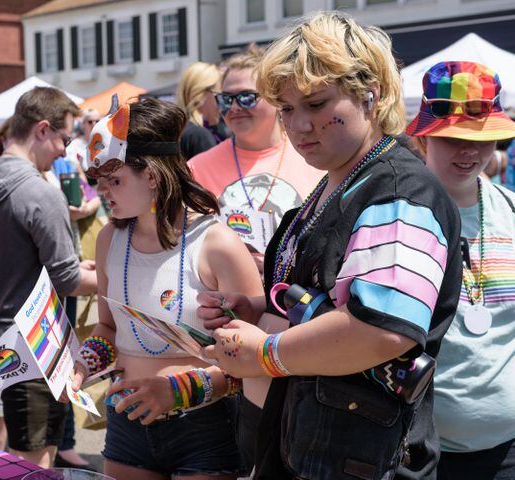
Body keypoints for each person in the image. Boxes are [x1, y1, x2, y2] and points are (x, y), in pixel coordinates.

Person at [198, 12, 462, 479]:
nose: (299, 125)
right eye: (285, 109)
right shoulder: (344, 180)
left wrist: (266, 351)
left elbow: (383, 329)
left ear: (370, 94)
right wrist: (258, 306)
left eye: (317, 104)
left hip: (364, 456)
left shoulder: (399, 191)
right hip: (318, 444)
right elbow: (330, 293)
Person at [69, 97, 263, 480]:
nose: (103, 193)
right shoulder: (110, 237)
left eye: (115, 180)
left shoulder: (217, 243)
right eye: (99, 182)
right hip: (126, 419)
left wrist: (179, 390)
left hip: (205, 428)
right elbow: (108, 329)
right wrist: (82, 366)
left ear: (153, 175)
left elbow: (254, 360)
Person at [0, 87, 98, 468]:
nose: (64, 150)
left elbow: (14, 257)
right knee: (33, 462)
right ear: (42, 129)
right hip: (31, 345)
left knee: (2, 454)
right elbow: (69, 280)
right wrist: (113, 277)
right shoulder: (41, 193)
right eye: (64, 138)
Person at [407, 61, 515, 480]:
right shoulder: (401, 215)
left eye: (482, 138)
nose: (469, 151)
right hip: (422, 454)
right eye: (453, 138)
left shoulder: (509, 210)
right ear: (424, 139)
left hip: (506, 452)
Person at [189, 46, 320, 274]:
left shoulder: (313, 156)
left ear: (276, 99)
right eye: (226, 99)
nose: (235, 108)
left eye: (247, 97)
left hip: (295, 297)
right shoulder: (196, 168)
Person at [176, 62, 220, 160]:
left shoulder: (176, 129)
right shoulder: (200, 136)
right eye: (219, 94)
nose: (222, 102)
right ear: (201, 94)